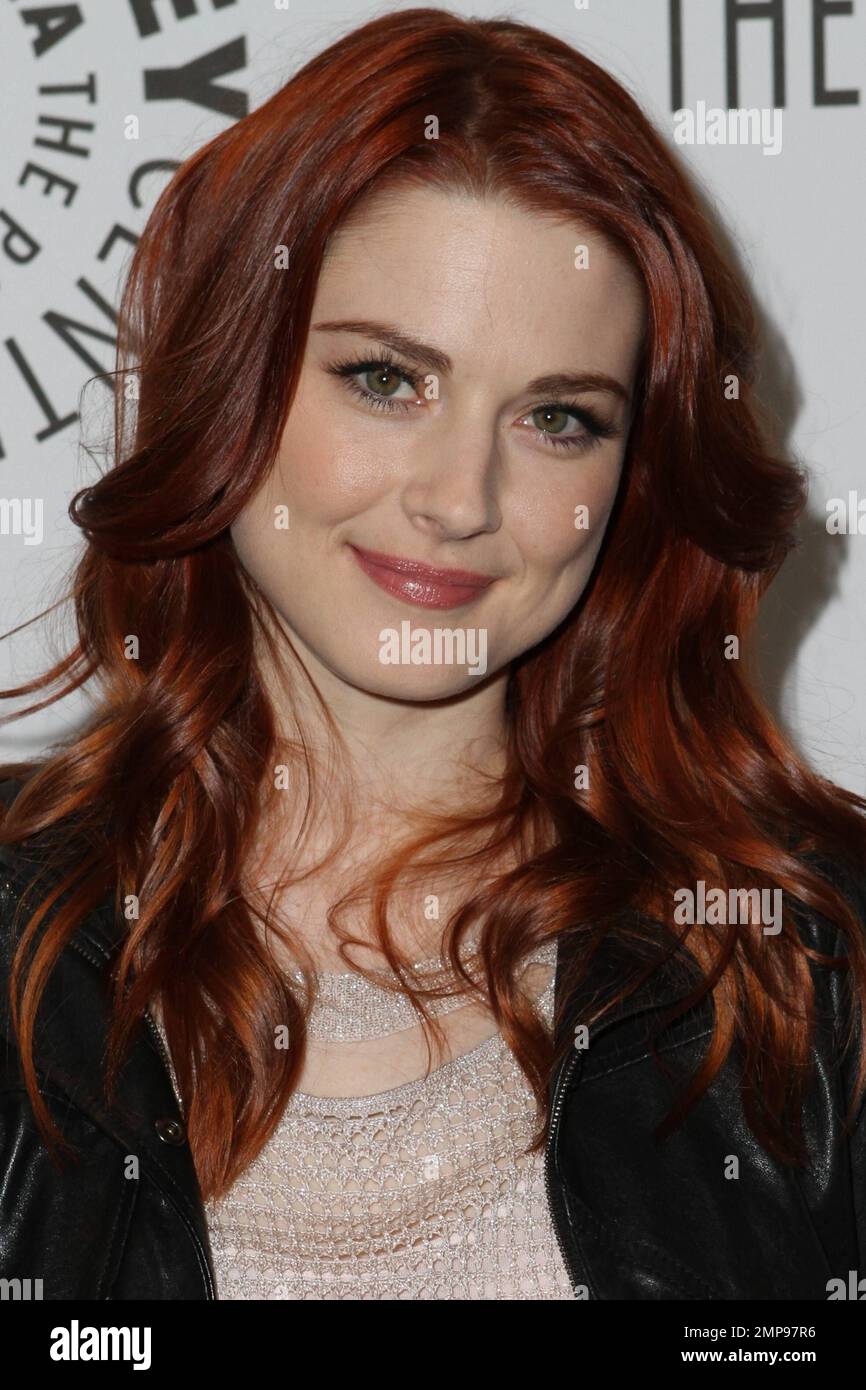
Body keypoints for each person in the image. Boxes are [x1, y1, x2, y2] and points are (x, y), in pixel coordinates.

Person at [0, 6, 864, 1301]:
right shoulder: (16, 922)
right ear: (234, 376)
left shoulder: (813, 950)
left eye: (560, 417)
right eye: (387, 379)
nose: (461, 496)